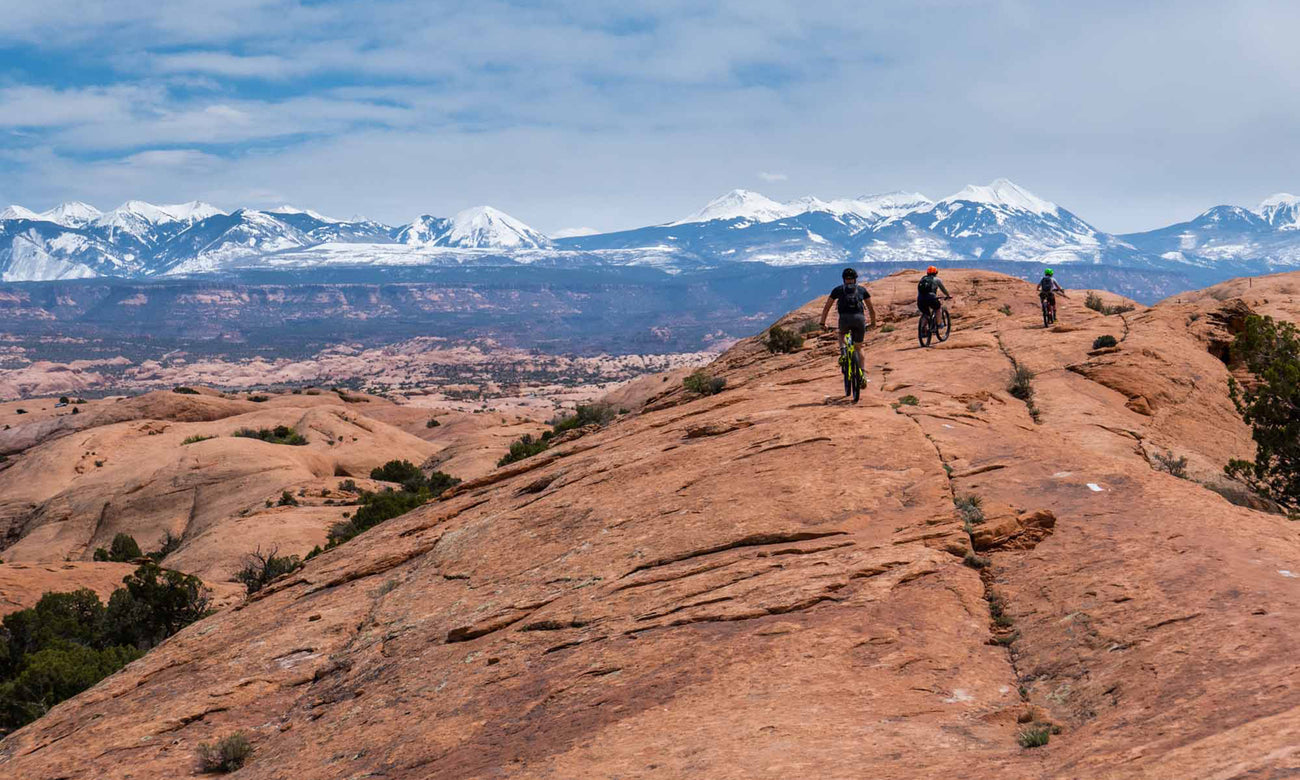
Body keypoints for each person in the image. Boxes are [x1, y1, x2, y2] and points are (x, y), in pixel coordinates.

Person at [819, 267, 877, 384]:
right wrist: (873, 323)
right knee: (859, 347)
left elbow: (826, 308)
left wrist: (822, 323)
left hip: (844, 319)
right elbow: (871, 309)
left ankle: (843, 352)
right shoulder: (861, 290)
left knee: (841, 334)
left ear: (844, 279)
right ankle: (862, 374)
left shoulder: (838, 290)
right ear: (855, 279)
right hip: (859, 319)